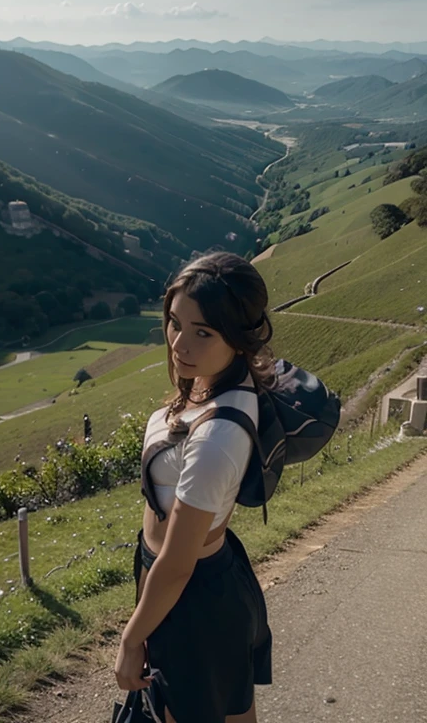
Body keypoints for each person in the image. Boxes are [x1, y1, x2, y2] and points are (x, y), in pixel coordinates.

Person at [115, 252, 275, 723]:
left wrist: (130, 640)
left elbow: (179, 563)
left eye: (202, 331)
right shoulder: (212, 383)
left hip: (191, 594)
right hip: (194, 585)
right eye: (173, 322)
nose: (179, 344)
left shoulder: (216, 438)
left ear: (238, 337)